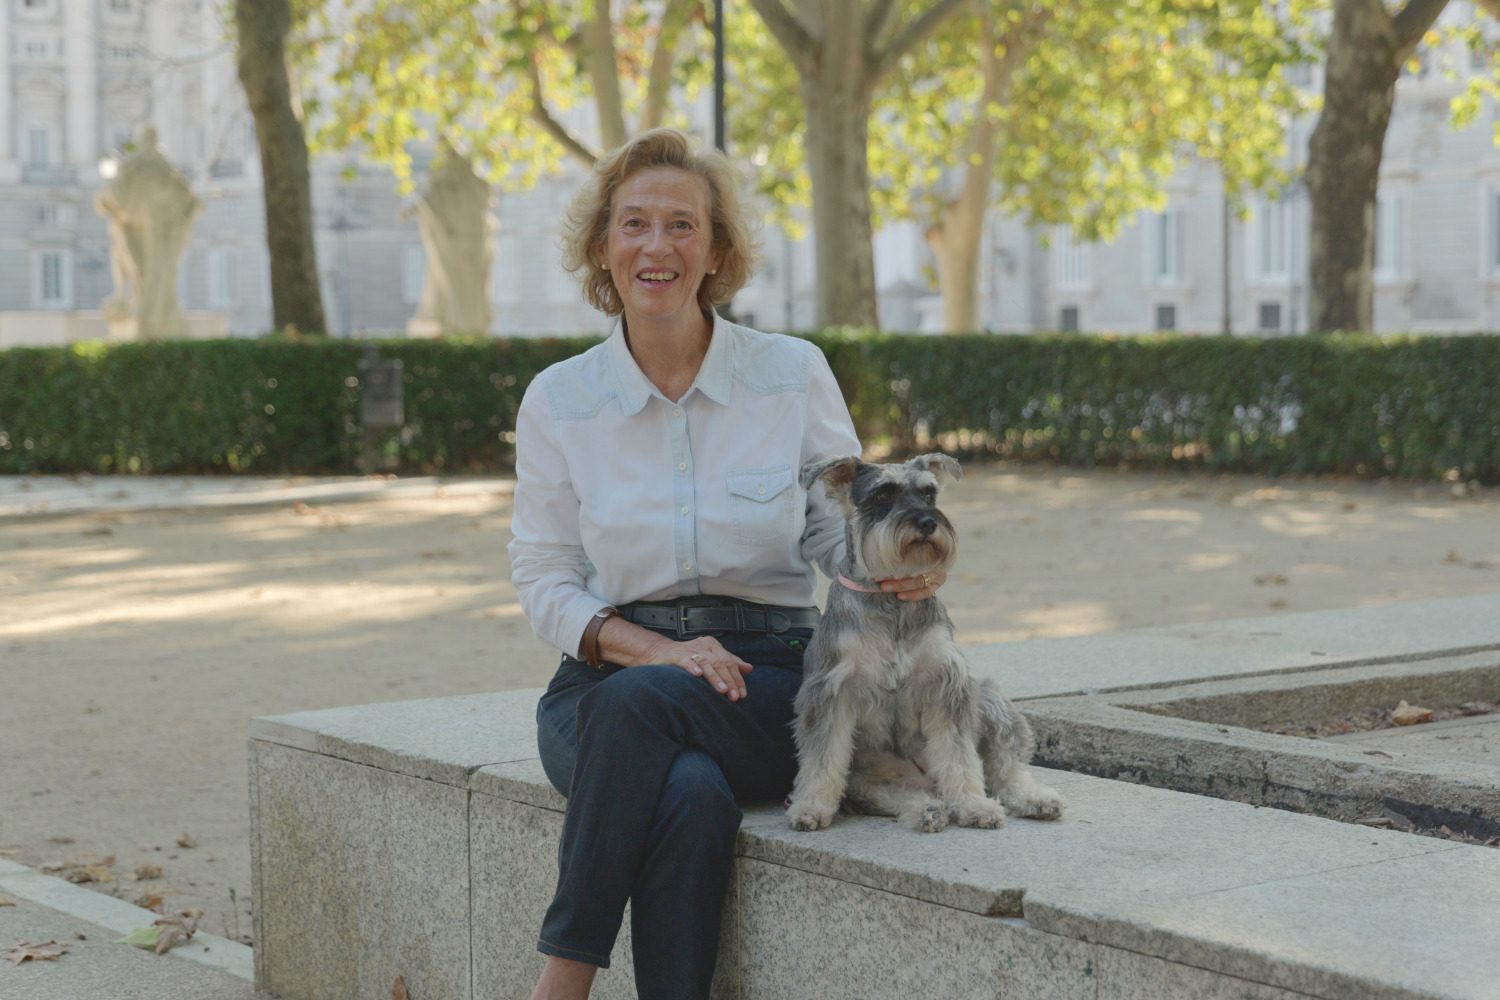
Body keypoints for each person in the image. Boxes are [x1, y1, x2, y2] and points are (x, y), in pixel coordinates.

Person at [508, 128, 944, 1000]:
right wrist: (659, 654)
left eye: (682, 225)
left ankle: (560, 984)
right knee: (687, 791)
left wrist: (891, 567)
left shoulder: (790, 374)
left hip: (775, 682)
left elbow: (837, 534)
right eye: (634, 224)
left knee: (649, 715)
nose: (656, 246)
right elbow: (544, 578)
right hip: (604, 682)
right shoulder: (560, 399)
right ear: (603, 246)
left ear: (715, 249)